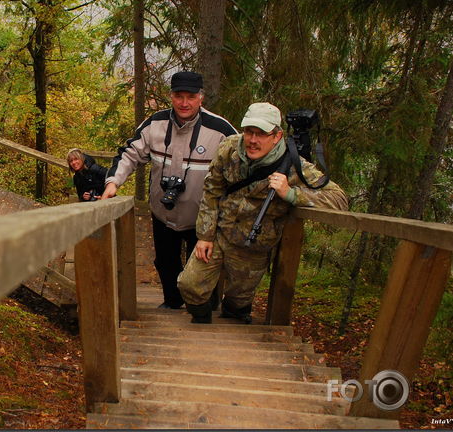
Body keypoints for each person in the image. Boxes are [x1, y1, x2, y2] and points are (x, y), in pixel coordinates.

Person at [177, 102, 348, 324]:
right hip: (220, 233)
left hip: (254, 245)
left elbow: (339, 199)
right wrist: (204, 236)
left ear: (277, 136)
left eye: (261, 134)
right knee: (189, 284)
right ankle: (201, 324)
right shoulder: (229, 149)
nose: (253, 140)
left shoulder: (294, 165)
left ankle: (234, 319)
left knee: (239, 299)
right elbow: (212, 190)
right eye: (249, 131)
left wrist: (291, 193)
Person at [100, 71, 237, 309]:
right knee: (165, 261)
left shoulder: (220, 129)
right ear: (170, 96)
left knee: (204, 264)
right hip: (163, 212)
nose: (185, 103)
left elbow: (243, 164)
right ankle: (172, 303)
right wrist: (113, 183)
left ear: (201, 98)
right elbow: (129, 153)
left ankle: (205, 308)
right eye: (179, 96)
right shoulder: (155, 124)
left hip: (202, 218)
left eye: (191, 97)